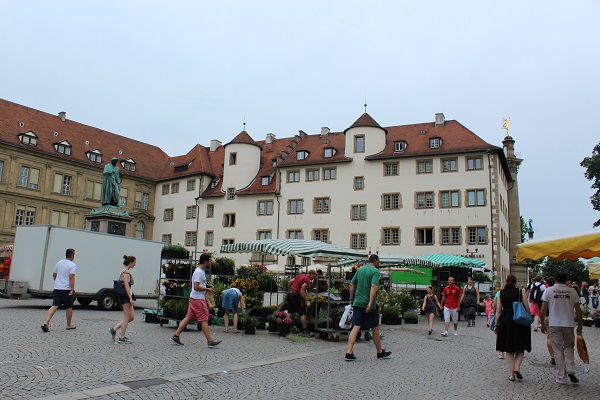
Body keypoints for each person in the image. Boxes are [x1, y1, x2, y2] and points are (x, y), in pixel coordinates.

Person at [345, 254, 391, 361]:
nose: (379, 263)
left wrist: (351, 299)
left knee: (356, 326)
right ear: (375, 261)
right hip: (369, 304)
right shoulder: (375, 271)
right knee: (374, 327)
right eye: (378, 261)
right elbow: (373, 286)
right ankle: (379, 352)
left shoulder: (360, 270)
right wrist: (370, 302)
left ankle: (349, 352)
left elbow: (351, 285)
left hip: (357, 302)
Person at [540, 271, 583, 385]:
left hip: (554, 323)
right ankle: (571, 369)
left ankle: (561, 377)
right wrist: (579, 325)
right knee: (569, 346)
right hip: (568, 323)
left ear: (555, 279)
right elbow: (578, 311)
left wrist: (542, 323)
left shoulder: (549, 291)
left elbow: (543, 309)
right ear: (566, 279)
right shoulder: (572, 291)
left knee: (558, 349)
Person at [170, 253, 221, 347]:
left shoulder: (199, 271)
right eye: (209, 260)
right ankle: (210, 341)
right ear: (206, 261)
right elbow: (196, 286)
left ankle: (176, 336)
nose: (210, 262)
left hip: (194, 298)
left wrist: (207, 286)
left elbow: (198, 285)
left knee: (188, 317)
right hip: (198, 299)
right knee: (204, 319)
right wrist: (207, 289)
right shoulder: (199, 272)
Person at [494, 274, 531, 381]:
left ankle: (511, 375)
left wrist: (496, 324)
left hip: (506, 320)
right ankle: (517, 368)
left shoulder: (501, 293)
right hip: (519, 320)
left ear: (506, 281)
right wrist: (529, 317)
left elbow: (498, 311)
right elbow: (527, 307)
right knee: (520, 347)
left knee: (509, 350)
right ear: (515, 282)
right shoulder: (520, 292)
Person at [41, 248, 77, 332]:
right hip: (66, 289)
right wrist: (72, 289)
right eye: (74, 254)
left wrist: (57, 281)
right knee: (69, 306)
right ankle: (69, 324)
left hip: (57, 288)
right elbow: (71, 277)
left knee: (55, 305)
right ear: (72, 255)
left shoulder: (59, 263)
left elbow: (54, 274)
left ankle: (46, 321)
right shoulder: (72, 265)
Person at [109, 255, 136, 344]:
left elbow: (132, 282)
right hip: (125, 296)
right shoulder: (124, 272)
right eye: (134, 262)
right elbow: (126, 286)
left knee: (131, 317)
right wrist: (130, 298)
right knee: (127, 317)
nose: (135, 264)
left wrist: (131, 275)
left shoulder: (127, 272)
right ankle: (122, 336)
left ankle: (114, 329)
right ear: (131, 263)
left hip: (127, 295)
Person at [287, 269, 317, 335]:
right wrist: (306, 301)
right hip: (296, 296)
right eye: (314, 277)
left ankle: (287, 327)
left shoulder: (300, 275)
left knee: (290, 312)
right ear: (311, 274)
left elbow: (289, 282)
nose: (313, 279)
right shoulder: (307, 280)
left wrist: (290, 290)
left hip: (290, 294)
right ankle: (305, 330)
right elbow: (302, 291)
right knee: (302, 313)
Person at [543, 276, 556, 365]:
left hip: (547, 316)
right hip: (557, 317)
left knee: (549, 337)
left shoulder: (546, 291)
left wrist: (541, 319)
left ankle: (552, 356)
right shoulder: (557, 291)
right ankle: (560, 356)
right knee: (559, 337)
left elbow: (542, 307)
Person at [493, 290, 504, 359]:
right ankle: (513, 350)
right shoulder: (517, 292)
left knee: (501, 334)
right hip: (512, 315)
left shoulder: (499, 293)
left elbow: (495, 305)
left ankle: (501, 352)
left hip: (501, 315)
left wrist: (495, 323)